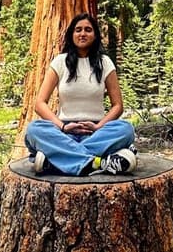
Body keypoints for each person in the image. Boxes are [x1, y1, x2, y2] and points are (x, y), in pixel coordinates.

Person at [24, 12, 137, 176]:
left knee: (126, 129)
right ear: (71, 34)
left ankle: (56, 161)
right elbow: (40, 103)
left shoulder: (105, 63)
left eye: (88, 30)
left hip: (96, 133)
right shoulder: (60, 62)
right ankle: (98, 163)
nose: (82, 33)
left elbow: (118, 106)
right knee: (34, 129)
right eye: (78, 30)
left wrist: (99, 126)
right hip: (63, 133)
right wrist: (62, 126)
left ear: (95, 35)